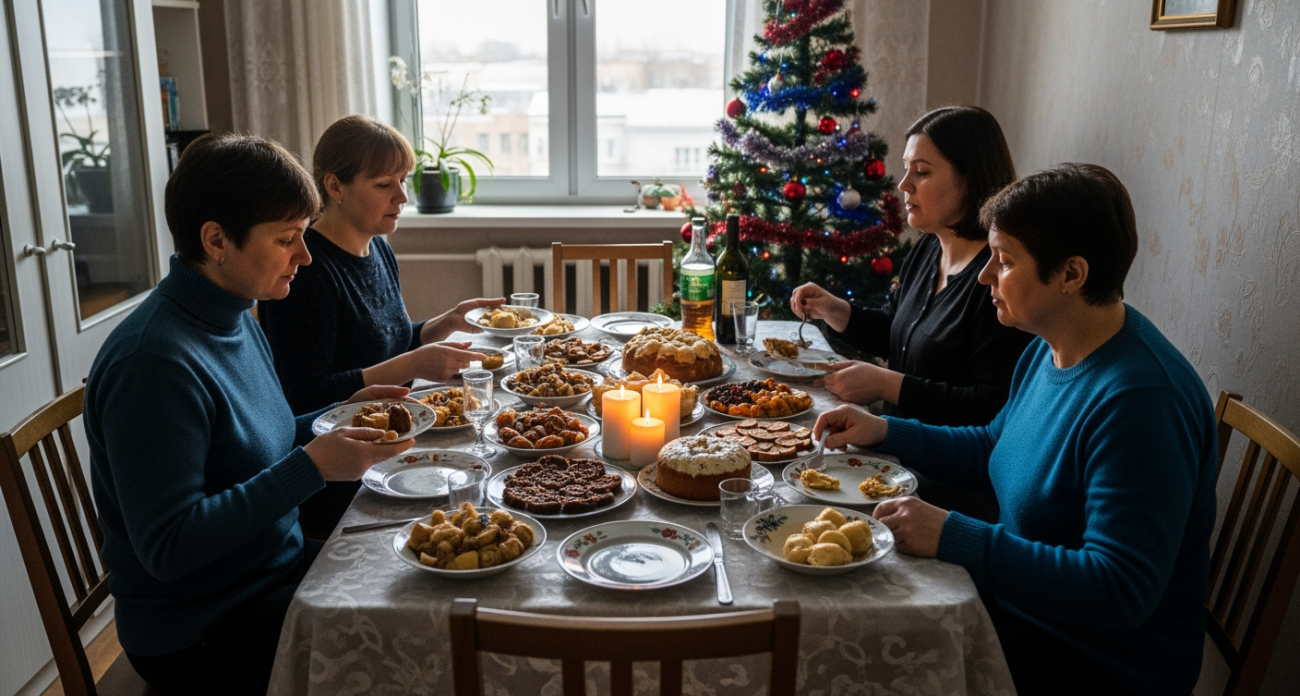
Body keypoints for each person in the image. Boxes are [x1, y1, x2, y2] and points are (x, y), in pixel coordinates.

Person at [813, 163, 1217, 696]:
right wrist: (886, 432)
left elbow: (1119, 590)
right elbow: (993, 445)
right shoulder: (1047, 349)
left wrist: (956, 536)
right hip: (1027, 614)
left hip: (1095, 663)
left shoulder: (1141, 403)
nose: (984, 277)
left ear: (1072, 274)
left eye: (1003, 262)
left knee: (857, 660)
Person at [84, 133, 415, 696]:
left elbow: (257, 439)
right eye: (287, 239)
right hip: (203, 627)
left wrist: (333, 415)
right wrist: (312, 466)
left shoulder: (236, 315)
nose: (305, 256)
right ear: (216, 239)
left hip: (269, 569)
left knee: (412, 567)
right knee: (414, 640)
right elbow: (170, 547)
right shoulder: (154, 363)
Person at [259, 115, 503, 535]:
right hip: (343, 474)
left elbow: (385, 342)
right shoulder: (306, 273)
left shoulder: (378, 250)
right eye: (384, 184)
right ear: (335, 187)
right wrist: (410, 365)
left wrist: (441, 325)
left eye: (403, 180)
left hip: (393, 440)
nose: (403, 196)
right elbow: (302, 397)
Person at [791, 106, 1033, 427]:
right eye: (906, 169)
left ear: (969, 179)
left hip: (939, 469)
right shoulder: (927, 248)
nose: (904, 184)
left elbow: (990, 408)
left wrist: (886, 385)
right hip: (890, 450)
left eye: (921, 171)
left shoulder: (998, 276)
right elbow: (898, 333)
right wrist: (836, 310)